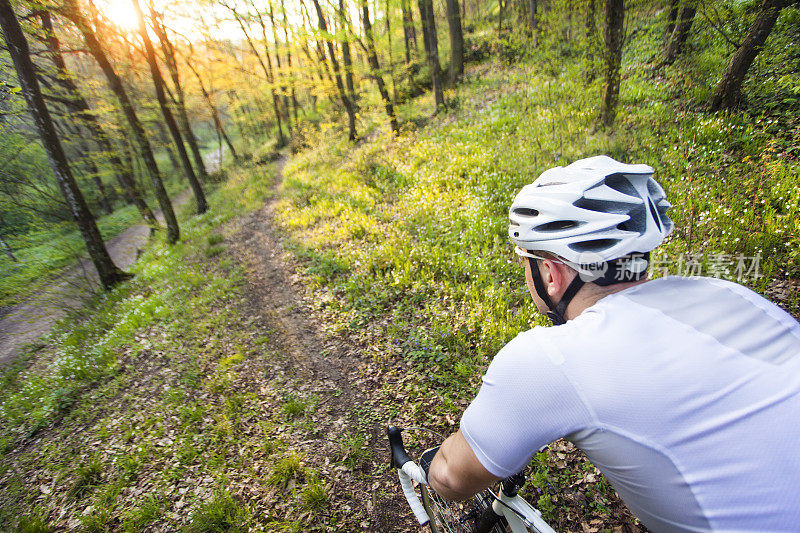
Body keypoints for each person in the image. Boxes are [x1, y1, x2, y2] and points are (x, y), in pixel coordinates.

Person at [426, 155, 800, 531]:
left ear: (550, 273)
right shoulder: (733, 293)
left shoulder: (549, 359)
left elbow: (452, 480)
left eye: (526, 260)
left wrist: (432, 466)